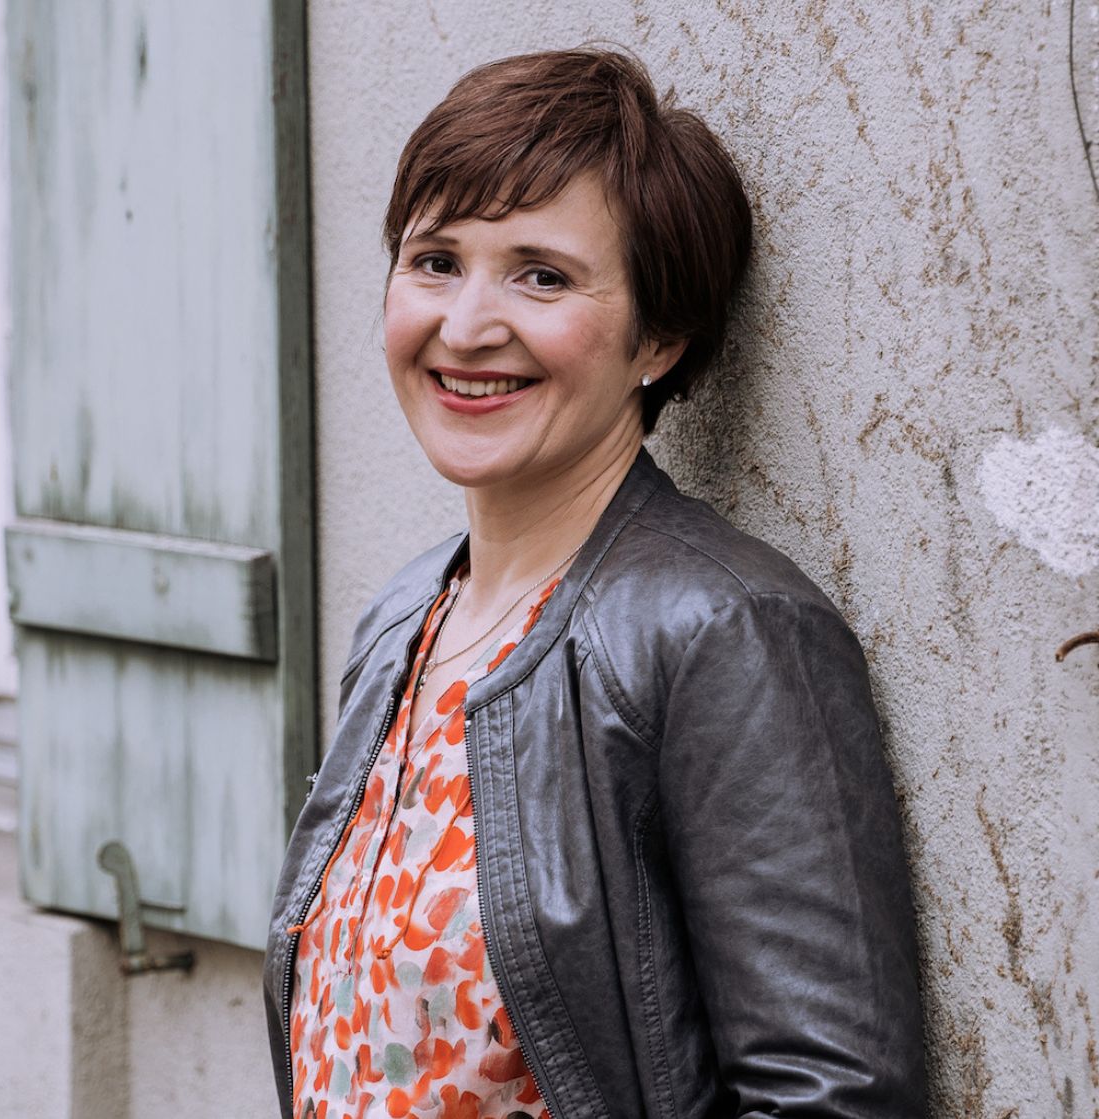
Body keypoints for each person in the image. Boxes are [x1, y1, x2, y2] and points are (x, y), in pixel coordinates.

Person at [263, 47, 926, 1119]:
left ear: (657, 337)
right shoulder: (401, 624)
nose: (465, 326)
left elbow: (832, 1097)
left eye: (542, 276)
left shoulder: (723, 633)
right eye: (436, 260)